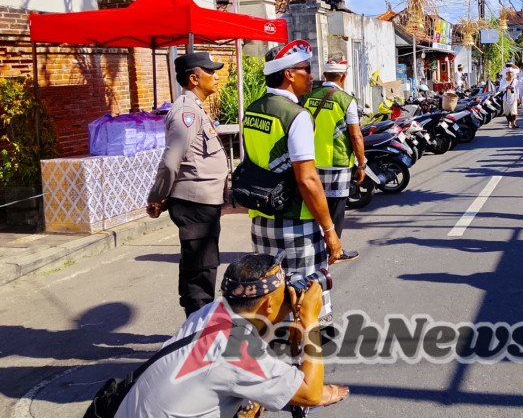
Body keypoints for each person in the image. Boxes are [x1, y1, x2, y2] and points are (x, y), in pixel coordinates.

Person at [114, 253, 350, 417]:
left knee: (253, 397)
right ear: (267, 304)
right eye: (283, 288)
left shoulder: (210, 312)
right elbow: (311, 394)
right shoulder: (237, 351)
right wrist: (310, 321)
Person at [242, 40, 343, 324]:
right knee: (305, 293)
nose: (311, 76)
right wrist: (329, 230)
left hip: (261, 217)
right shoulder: (296, 116)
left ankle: (276, 353)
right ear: (288, 74)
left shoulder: (253, 108)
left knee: (272, 291)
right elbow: (308, 179)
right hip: (295, 221)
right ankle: (303, 358)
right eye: (305, 69)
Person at [147, 52, 228, 318]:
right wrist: (157, 196)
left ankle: (196, 330)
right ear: (194, 78)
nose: (216, 76)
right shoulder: (186, 112)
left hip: (203, 203)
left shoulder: (195, 108)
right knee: (201, 273)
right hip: (195, 204)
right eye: (210, 72)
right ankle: (199, 338)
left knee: (198, 268)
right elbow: (171, 162)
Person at [303, 56, 367, 263]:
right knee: (336, 209)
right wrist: (362, 163)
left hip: (309, 162)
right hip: (336, 163)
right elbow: (356, 135)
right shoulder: (346, 100)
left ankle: (314, 248)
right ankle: (334, 249)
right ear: (344, 77)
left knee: (314, 207)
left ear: (324, 75)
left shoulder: (307, 96)